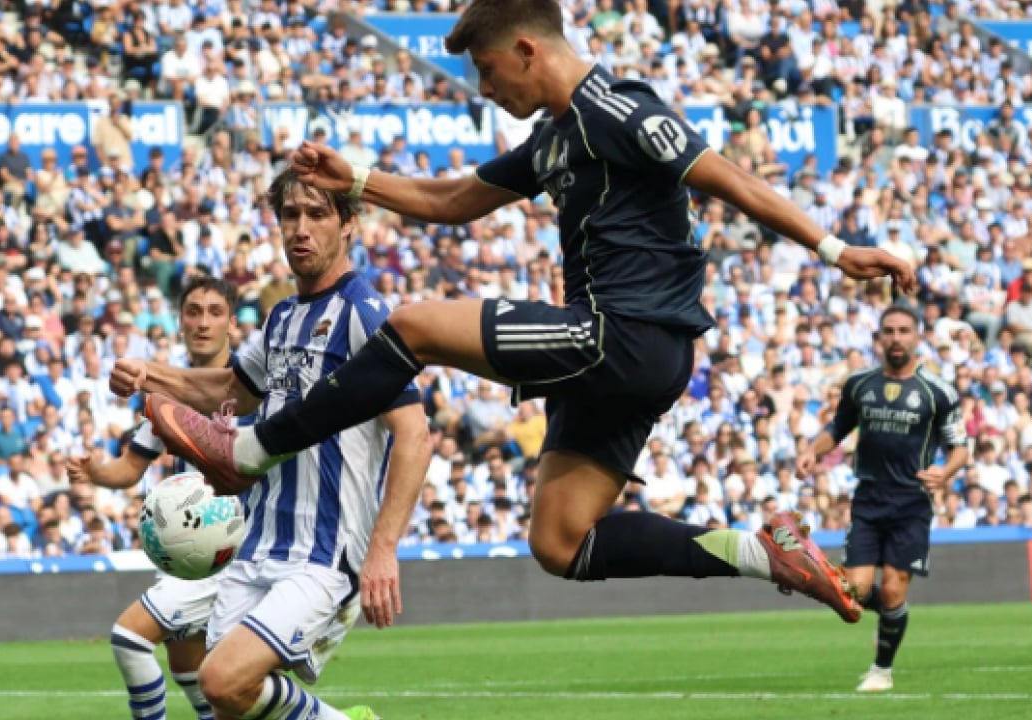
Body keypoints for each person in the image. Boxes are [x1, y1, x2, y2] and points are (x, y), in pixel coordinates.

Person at [120, 0, 916, 625]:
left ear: (528, 49)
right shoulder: (553, 138)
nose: (486, 90)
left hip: (626, 334)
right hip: (627, 361)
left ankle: (256, 447)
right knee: (560, 542)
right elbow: (456, 200)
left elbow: (723, 175)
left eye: (491, 72)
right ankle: (762, 552)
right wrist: (355, 178)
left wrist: (833, 249)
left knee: (414, 326)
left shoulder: (619, 107)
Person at [110, 170, 431, 720]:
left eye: (318, 214)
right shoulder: (282, 318)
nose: (300, 229)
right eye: (290, 216)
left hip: (323, 554)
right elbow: (231, 390)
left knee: (224, 679)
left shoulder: (365, 314)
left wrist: (384, 550)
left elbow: (415, 435)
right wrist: (151, 375)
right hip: (257, 546)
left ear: (349, 223)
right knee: (230, 700)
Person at [69, 277, 247, 720]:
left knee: (130, 640)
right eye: (193, 312)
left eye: (214, 312)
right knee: (191, 670)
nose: (202, 322)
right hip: (193, 551)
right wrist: (94, 472)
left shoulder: (252, 390)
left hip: (238, 550)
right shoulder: (165, 395)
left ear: (232, 325)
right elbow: (130, 468)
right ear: (180, 321)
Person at [797, 307, 969, 692]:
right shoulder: (859, 384)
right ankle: (893, 615)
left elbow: (960, 446)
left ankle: (881, 670)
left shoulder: (937, 391)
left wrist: (946, 471)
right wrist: (813, 451)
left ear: (916, 337)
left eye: (904, 330)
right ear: (879, 337)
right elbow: (838, 428)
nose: (896, 337)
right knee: (854, 591)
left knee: (893, 587)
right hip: (869, 498)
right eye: (889, 330)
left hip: (912, 501)